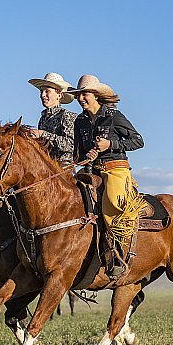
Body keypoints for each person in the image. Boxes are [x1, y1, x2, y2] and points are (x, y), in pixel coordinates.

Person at [67, 75, 144, 277]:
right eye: (79, 95)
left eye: (85, 94)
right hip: (91, 170)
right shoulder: (79, 122)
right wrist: (86, 156)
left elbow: (138, 141)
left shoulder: (114, 116)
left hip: (116, 168)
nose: (81, 98)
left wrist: (111, 145)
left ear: (96, 95)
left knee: (112, 203)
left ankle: (118, 255)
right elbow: (78, 153)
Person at [26, 72, 77, 165]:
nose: (42, 95)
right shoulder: (43, 119)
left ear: (59, 95)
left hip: (64, 167)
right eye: (41, 91)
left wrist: (43, 134)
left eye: (47, 91)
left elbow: (71, 145)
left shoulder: (67, 116)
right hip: (45, 166)